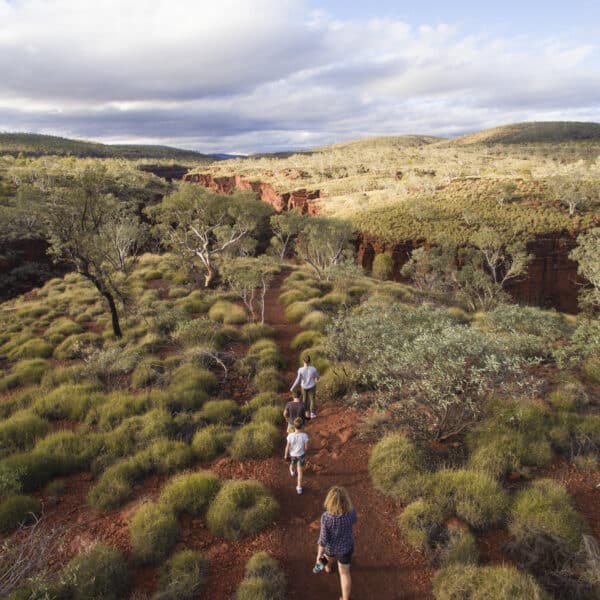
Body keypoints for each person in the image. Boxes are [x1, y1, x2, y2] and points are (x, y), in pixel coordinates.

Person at [315, 486, 357, 600]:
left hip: (330, 547)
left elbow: (323, 539)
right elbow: (355, 520)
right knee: (345, 574)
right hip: (346, 547)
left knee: (326, 558)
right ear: (346, 500)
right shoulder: (351, 513)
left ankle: (324, 567)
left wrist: (318, 555)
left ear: (329, 501)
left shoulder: (326, 517)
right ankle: (345, 598)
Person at [284, 417, 308, 494]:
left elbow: (287, 446)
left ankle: (292, 471)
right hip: (301, 455)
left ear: (294, 426)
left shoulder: (290, 436)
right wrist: (304, 451)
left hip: (292, 455)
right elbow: (306, 447)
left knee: (292, 463)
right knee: (300, 472)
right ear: (302, 426)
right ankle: (299, 488)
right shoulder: (304, 436)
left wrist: (285, 455)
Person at [290, 354, 320, 419]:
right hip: (312, 386)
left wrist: (292, 387)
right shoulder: (313, 369)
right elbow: (317, 377)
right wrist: (316, 379)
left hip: (304, 387)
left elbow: (298, 380)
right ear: (309, 361)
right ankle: (312, 413)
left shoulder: (300, 370)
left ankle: (305, 413)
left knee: (304, 400)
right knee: (312, 400)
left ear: (303, 361)